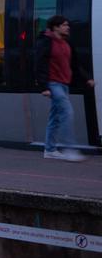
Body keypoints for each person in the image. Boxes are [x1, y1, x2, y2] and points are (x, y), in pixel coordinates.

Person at [36, 15, 94, 162]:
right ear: (56, 27)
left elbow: (75, 64)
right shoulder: (46, 43)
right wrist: (44, 87)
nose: (67, 27)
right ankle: (70, 149)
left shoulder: (67, 43)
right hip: (53, 84)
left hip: (64, 84)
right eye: (64, 25)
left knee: (54, 118)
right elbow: (39, 65)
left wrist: (86, 78)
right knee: (67, 112)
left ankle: (49, 150)